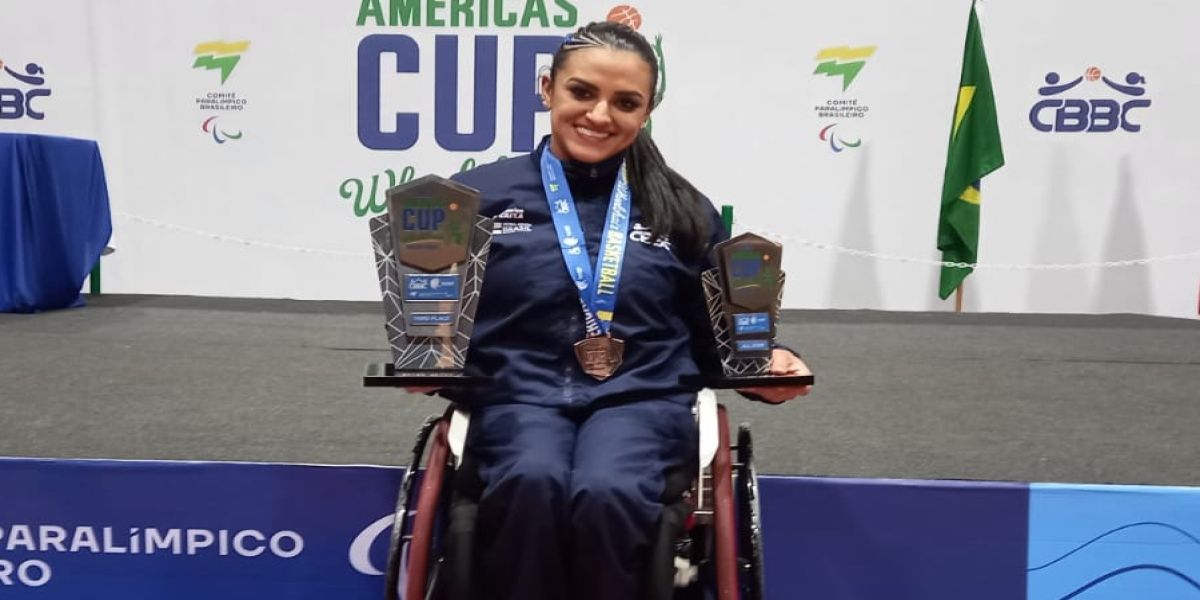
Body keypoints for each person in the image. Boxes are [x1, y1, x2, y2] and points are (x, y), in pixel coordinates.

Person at [412, 20, 813, 600]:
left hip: (640, 398)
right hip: (518, 395)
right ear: (548, 88)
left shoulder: (683, 209)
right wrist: (428, 357)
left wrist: (767, 365)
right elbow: (436, 320)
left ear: (646, 113)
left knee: (608, 491)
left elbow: (718, 336)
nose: (600, 115)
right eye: (582, 93)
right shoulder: (474, 199)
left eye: (625, 103)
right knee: (530, 479)